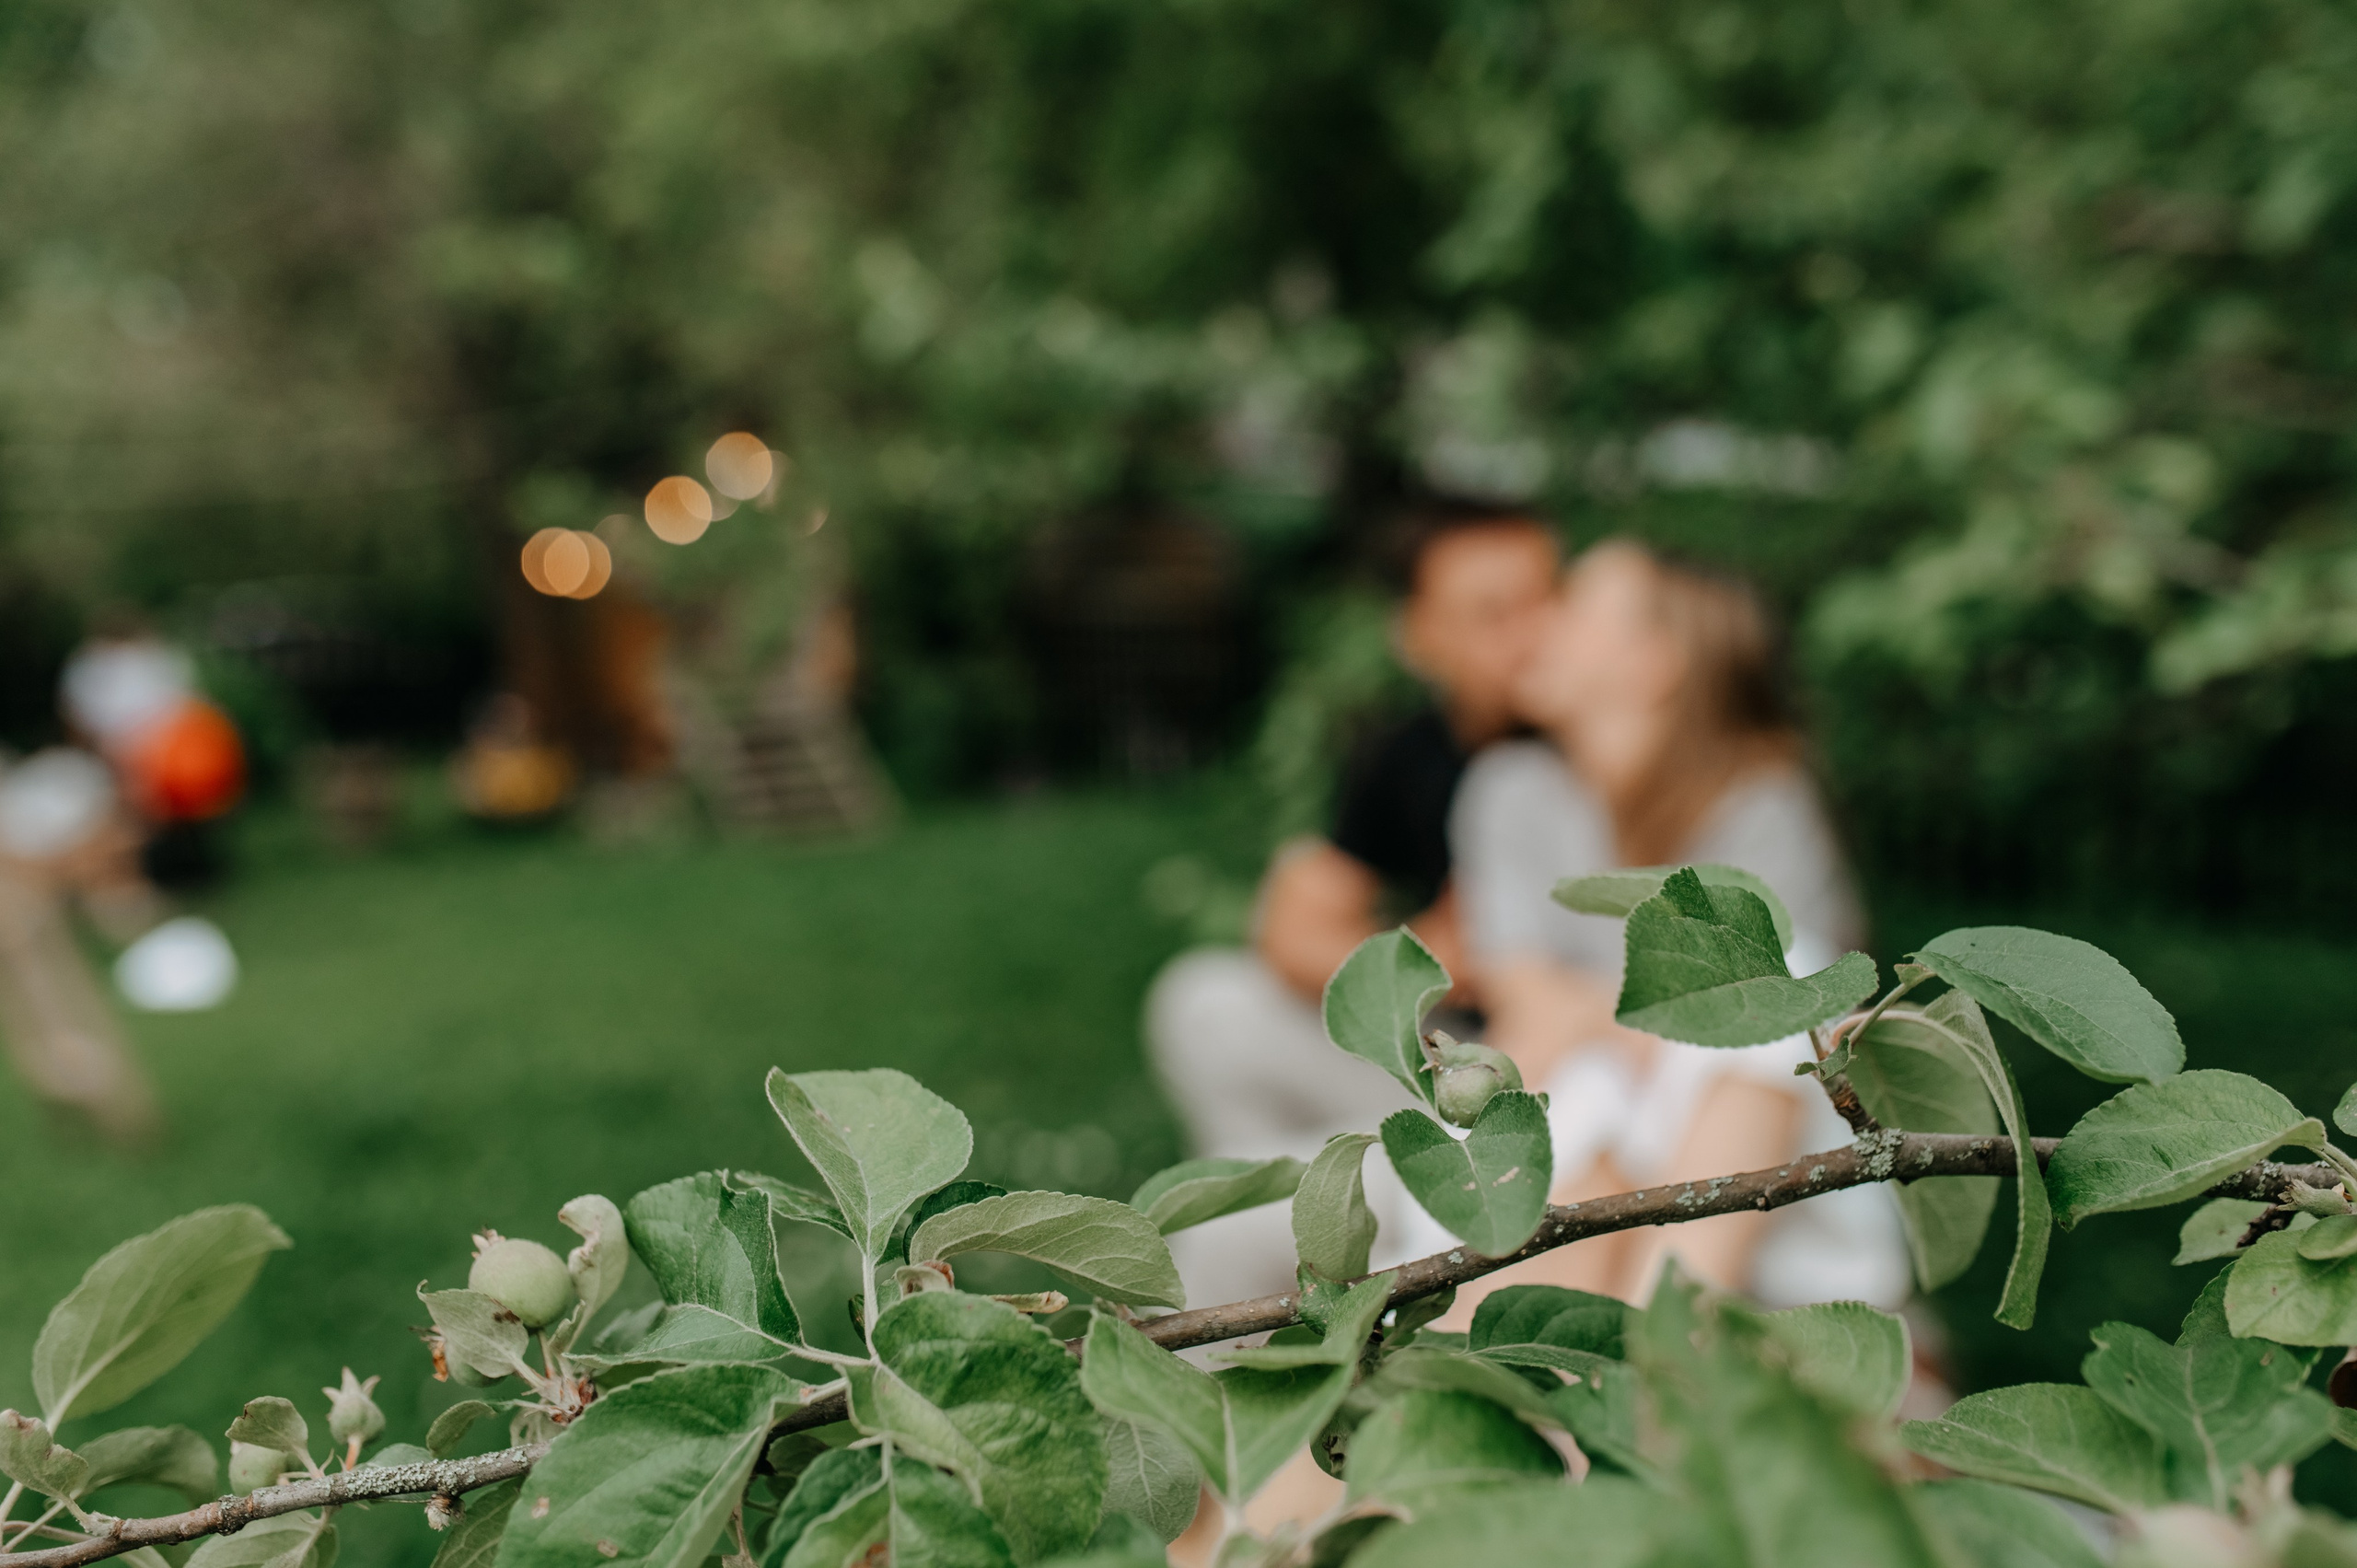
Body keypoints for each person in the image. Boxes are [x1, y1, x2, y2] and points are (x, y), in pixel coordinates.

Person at [1447, 539, 1910, 1311]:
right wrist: (1633, 1026)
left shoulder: (1762, 804)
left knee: (1776, 979)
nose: (1541, 624)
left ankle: (1658, 1338)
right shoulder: (1511, 790)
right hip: (1592, 1126)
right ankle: (1656, 1345)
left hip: (1746, 1163)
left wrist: (1594, 1016)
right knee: (1582, 1088)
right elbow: (1524, 1001)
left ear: (1653, 662)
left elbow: (1798, 1015)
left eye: (1576, 606)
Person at [1144, 506, 1560, 1310]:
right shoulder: (1411, 753)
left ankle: (1293, 1253)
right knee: (1205, 1002)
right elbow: (1289, 928)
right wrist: (1435, 953)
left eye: (1549, 598)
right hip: (1456, 1043)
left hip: (1546, 1071)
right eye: (1491, 612)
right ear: (1418, 635)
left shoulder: (1595, 746)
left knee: (1233, 1225)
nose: (1532, 633)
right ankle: (1311, 1243)